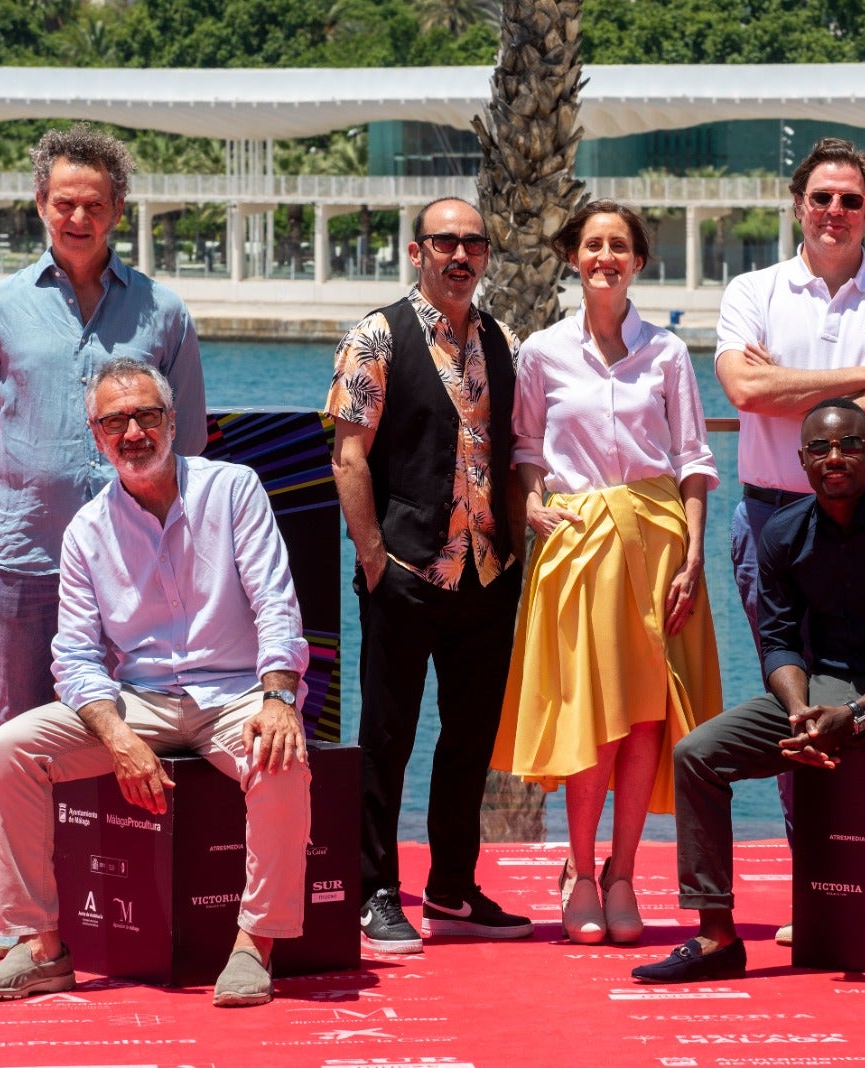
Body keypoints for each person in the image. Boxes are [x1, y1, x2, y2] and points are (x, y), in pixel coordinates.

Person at [0, 358, 310, 1008]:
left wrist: (279, 697)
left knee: (281, 758)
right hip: (139, 701)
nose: (133, 432)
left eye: (147, 415)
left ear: (174, 422)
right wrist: (118, 737)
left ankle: (254, 943)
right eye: (115, 421)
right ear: (95, 435)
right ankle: (41, 947)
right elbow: (73, 656)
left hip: (234, 693)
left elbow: (274, 600)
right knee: (10, 748)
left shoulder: (234, 489)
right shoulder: (88, 531)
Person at [0, 123, 206, 959]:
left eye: (94, 203)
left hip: (136, 563)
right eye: (64, 203)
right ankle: (25, 920)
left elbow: (188, 437)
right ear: (40, 207)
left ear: (118, 210)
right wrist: (15, 496)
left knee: (133, 723)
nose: (78, 217)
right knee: (25, 732)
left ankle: (106, 903)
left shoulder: (162, 310)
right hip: (29, 557)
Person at [631, 399, 865, 1007]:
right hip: (822, 685)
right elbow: (779, 639)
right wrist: (801, 708)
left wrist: (855, 715)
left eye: (850, 445)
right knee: (697, 753)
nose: (836, 458)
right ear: (803, 460)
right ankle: (716, 938)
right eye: (821, 449)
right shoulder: (782, 533)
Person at [714, 136, 865, 944]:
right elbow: (744, 387)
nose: (835, 212)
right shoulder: (752, 290)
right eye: (821, 198)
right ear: (797, 205)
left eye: (851, 199)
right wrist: (859, 383)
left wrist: (796, 391)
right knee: (797, 698)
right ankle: (818, 875)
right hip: (774, 520)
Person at [490, 201, 723, 945]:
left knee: (648, 712)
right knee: (593, 713)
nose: (605, 257)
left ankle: (625, 873)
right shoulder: (542, 353)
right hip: (578, 542)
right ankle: (581, 871)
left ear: (639, 261)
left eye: (619, 245)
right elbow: (525, 450)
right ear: (573, 256)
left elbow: (692, 460)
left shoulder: (667, 352)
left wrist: (693, 552)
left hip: (658, 544)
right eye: (593, 244)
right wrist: (530, 510)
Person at [325, 196, 532, 955]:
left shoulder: (503, 340)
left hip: (486, 573)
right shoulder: (377, 336)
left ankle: (452, 886)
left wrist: (515, 553)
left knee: (469, 737)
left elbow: (509, 457)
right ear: (417, 252)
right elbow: (349, 455)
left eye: (473, 243)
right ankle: (374, 888)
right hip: (406, 570)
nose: (460, 254)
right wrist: (374, 554)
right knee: (386, 735)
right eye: (445, 241)